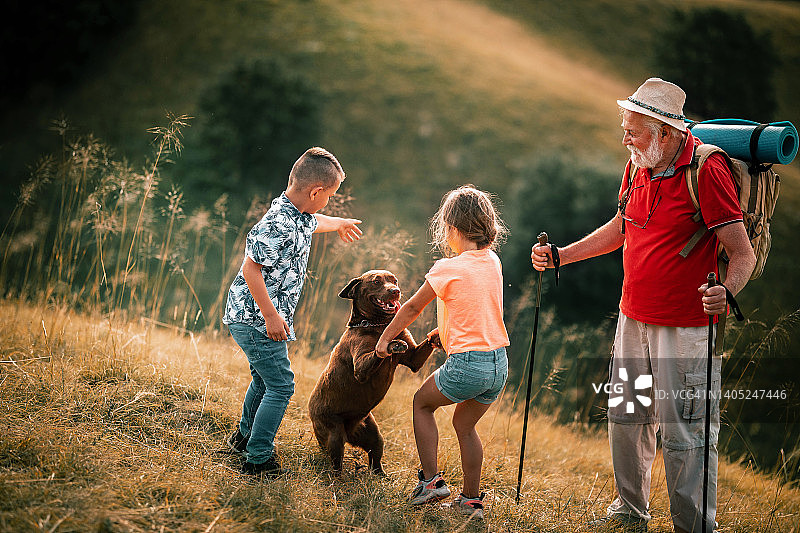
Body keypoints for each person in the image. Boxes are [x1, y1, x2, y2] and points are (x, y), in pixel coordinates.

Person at [531, 78, 755, 532]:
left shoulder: (706, 172)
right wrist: (562, 256)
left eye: (634, 131)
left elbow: (742, 253)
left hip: (686, 329)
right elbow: (622, 227)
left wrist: (726, 293)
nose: (625, 139)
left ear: (666, 133)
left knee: (684, 435)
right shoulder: (637, 164)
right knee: (627, 417)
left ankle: (693, 526)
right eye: (626, 129)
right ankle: (630, 512)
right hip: (632, 319)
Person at [223, 147, 363, 477]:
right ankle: (258, 458)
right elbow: (250, 270)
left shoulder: (298, 214)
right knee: (282, 385)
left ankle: (244, 438)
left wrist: (339, 222)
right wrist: (271, 317)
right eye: (329, 195)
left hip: (259, 318)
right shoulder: (278, 224)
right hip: (256, 319)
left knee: (264, 378)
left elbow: (314, 222)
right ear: (316, 192)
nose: (328, 202)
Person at [376, 185, 510, 520]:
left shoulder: (445, 268)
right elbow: (474, 305)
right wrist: (446, 332)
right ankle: (472, 501)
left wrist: (383, 341)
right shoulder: (492, 261)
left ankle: (431, 482)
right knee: (465, 426)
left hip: (468, 364)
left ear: (451, 229)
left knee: (421, 404)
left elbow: (409, 310)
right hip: (498, 364)